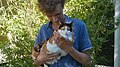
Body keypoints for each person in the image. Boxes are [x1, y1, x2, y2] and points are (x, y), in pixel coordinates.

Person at [33, 0, 92, 67]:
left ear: (62, 6)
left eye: (58, 14)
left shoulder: (79, 26)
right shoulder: (43, 30)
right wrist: (40, 59)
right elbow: (35, 63)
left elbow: (88, 61)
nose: (55, 19)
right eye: (50, 16)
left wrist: (69, 49)